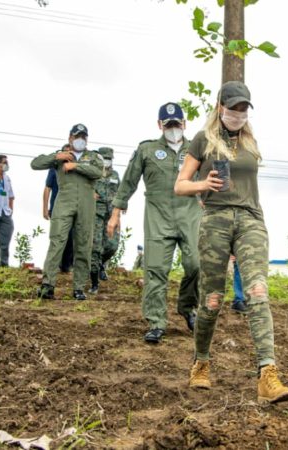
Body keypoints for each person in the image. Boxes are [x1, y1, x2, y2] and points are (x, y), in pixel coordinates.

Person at [175, 81, 288, 404]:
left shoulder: (250, 141)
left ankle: (267, 373)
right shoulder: (203, 139)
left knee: (257, 291)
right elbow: (180, 185)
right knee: (212, 299)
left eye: (244, 108)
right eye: (234, 108)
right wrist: (204, 184)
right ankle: (201, 362)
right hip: (216, 219)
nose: (239, 114)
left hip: (250, 219)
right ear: (220, 107)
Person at [108, 102, 201, 343]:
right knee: (156, 270)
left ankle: (187, 306)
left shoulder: (197, 149)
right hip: (158, 218)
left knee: (196, 264)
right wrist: (116, 213)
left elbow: (210, 181)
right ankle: (156, 322)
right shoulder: (147, 150)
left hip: (191, 216)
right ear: (160, 125)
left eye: (177, 124)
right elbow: (129, 181)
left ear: (184, 124)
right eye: (168, 125)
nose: (173, 128)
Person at [32, 124, 103, 301]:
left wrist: (75, 166)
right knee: (57, 241)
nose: (81, 140)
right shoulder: (61, 155)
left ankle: (79, 288)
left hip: (86, 203)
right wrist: (57, 156)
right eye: (77, 136)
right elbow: (35, 163)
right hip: (64, 201)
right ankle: (48, 285)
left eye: (84, 137)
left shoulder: (93, 156)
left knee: (83, 244)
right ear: (70, 138)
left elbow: (97, 172)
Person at [89, 147, 121, 294]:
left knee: (112, 245)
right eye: (104, 158)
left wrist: (119, 214)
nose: (107, 161)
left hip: (111, 215)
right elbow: (84, 187)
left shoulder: (115, 175)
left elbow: (120, 193)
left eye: (109, 159)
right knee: (95, 248)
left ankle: (101, 263)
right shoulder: (93, 173)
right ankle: (94, 282)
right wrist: (90, 193)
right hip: (96, 213)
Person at [42, 144, 75, 273]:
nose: (67, 154)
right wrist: (45, 208)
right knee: (58, 237)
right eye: (65, 152)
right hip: (57, 208)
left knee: (71, 238)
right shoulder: (55, 167)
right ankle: (52, 266)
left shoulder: (76, 167)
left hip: (73, 208)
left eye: (70, 152)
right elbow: (47, 188)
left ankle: (66, 265)